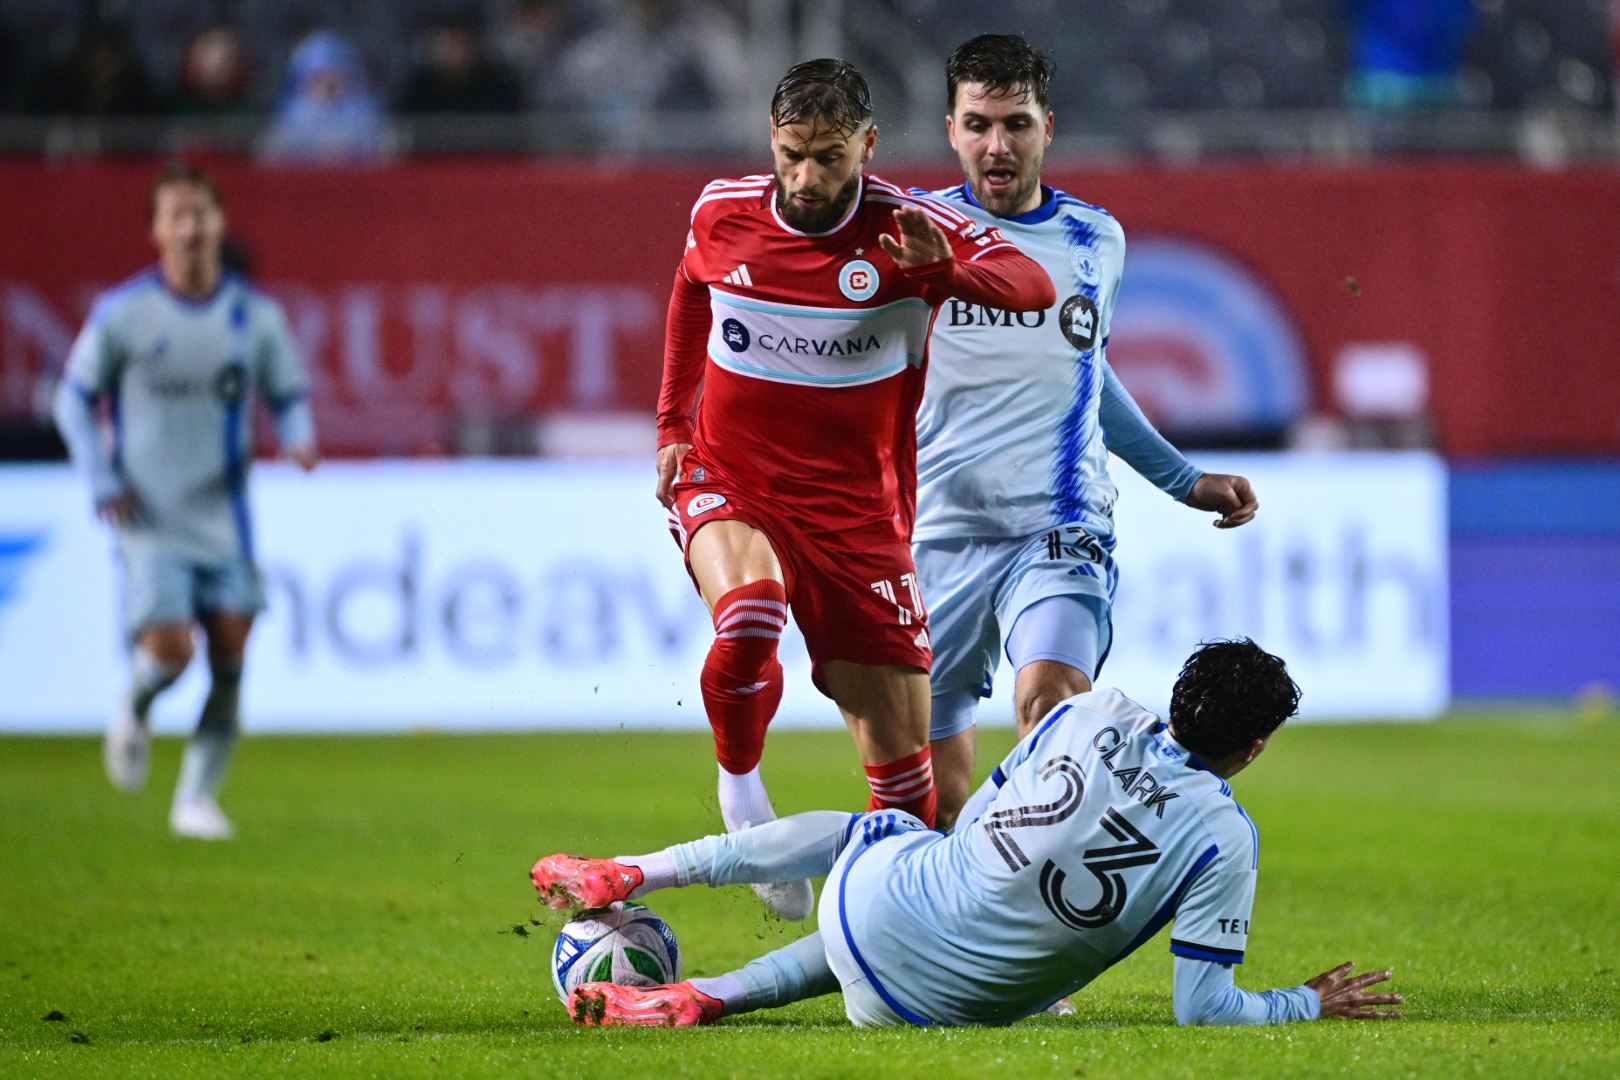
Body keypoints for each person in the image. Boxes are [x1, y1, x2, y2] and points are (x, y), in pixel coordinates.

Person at [655, 58, 1054, 919]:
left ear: (868, 146)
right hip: (733, 476)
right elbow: (691, 288)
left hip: (859, 518)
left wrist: (946, 272)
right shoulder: (722, 210)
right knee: (750, 612)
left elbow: (1035, 286)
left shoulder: (910, 229)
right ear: (772, 140)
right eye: (791, 154)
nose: (806, 177)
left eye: (828, 157)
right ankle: (742, 796)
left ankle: (874, 935)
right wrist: (671, 425)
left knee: (910, 794)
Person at [534, 639, 1402, 1028]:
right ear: (1254, 748)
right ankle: (709, 995)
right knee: (905, 922)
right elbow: (1201, 1008)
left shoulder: (1092, 709)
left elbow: (982, 818)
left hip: (875, 908)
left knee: (881, 836)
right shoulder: (1225, 838)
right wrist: (1305, 1002)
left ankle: (638, 871)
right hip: (932, 1010)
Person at [911, 36, 1260, 831]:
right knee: (930, 799)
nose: (997, 146)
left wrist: (1183, 480)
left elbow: (1085, 374)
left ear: (1048, 127)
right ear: (951, 130)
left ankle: (1034, 885)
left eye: (1016, 123)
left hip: (1059, 525)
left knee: (1050, 709)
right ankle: (954, 890)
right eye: (978, 125)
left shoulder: (1095, 241)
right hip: (937, 532)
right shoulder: (916, 233)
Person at [52, 162, 318, 840]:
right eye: (177, 215)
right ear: (156, 230)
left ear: (219, 223)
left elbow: (288, 395)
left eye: (201, 213)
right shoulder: (123, 314)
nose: (191, 227)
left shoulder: (254, 317)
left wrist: (299, 437)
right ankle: (136, 706)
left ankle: (195, 798)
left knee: (230, 653)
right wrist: (100, 479)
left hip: (224, 519)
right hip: (148, 516)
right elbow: (72, 400)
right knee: (172, 651)